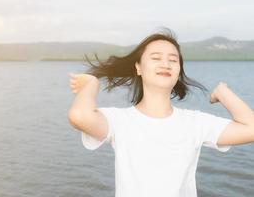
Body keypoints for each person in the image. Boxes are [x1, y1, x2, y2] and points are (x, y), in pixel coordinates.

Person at [67, 27, 254, 197]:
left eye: (173, 60)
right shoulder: (120, 121)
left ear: (178, 70)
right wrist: (92, 85)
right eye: (156, 58)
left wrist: (223, 92)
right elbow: (79, 116)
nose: (166, 64)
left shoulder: (195, 123)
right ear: (138, 67)